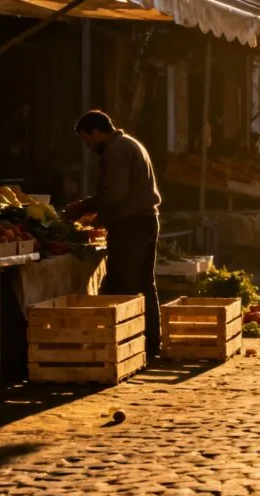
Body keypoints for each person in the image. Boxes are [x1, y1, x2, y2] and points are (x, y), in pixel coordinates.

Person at [65, 110, 162, 359]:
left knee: (122, 285)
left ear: (96, 132)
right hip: (145, 220)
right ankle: (150, 345)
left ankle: (130, 347)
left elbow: (114, 194)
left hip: (131, 225)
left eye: (87, 140)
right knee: (144, 284)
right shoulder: (130, 143)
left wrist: (83, 207)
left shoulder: (116, 150)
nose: (87, 146)